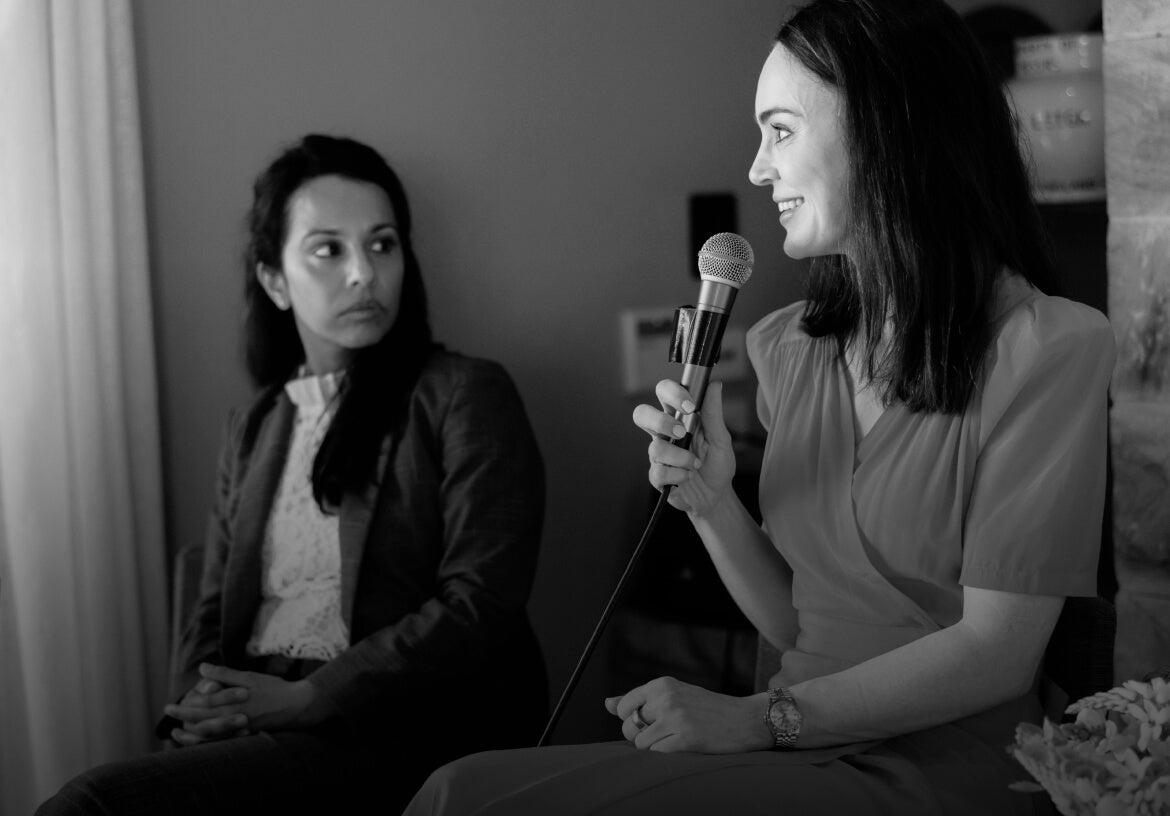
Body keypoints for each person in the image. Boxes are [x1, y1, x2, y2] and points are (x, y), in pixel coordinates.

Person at [402, 1, 1114, 814]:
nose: (756, 169)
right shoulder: (787, 348)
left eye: (780, 130)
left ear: (889, 128)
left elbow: (998, 654)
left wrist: (760, 720)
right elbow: (798, 619)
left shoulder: (1050, 347)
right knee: (458, 791)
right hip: (793, 747)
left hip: (944, 769)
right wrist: (709, 502)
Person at [37, 134, 548, 815]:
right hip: (258, 709)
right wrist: (200, 701)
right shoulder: (255, 425)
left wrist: (315, 695)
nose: (364, 273)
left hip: (398, 722)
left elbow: (482, 602)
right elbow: (213, 602)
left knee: (93, 804)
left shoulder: (463, 393)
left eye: (383, 243)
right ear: (275, 280)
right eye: (328, 249)